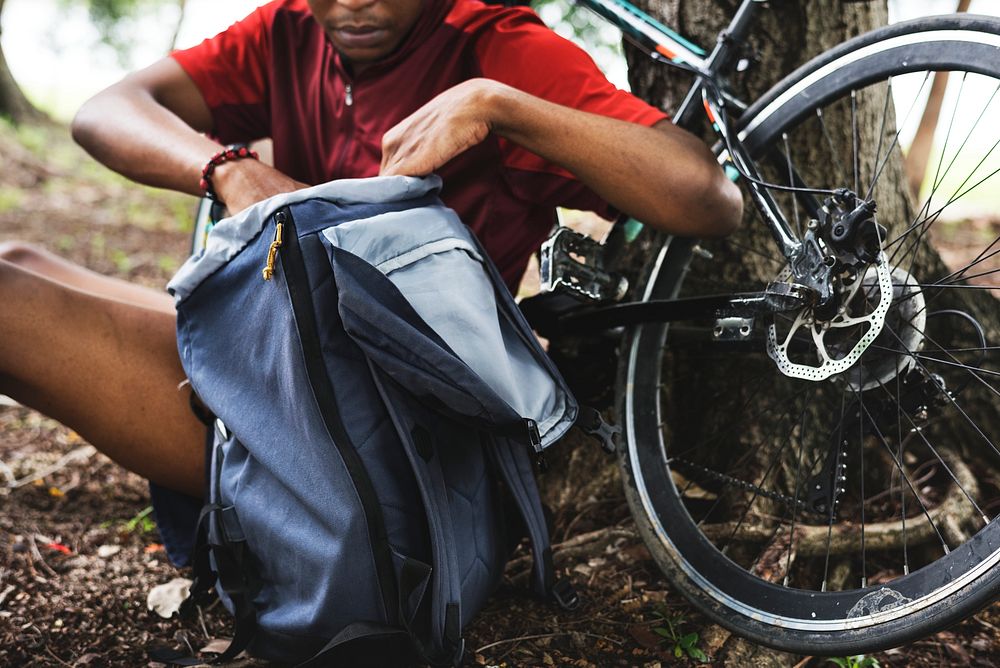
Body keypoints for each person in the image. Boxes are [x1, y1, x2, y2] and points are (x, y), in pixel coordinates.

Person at [0, 0, 741, 565]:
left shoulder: (493, 46)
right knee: (21, 263)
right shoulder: (290, 31)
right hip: (293, 360)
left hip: (398, 438)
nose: (353, 5)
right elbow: (106, 111)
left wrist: (500, 107)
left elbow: (707, 195)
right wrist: (229, 168)